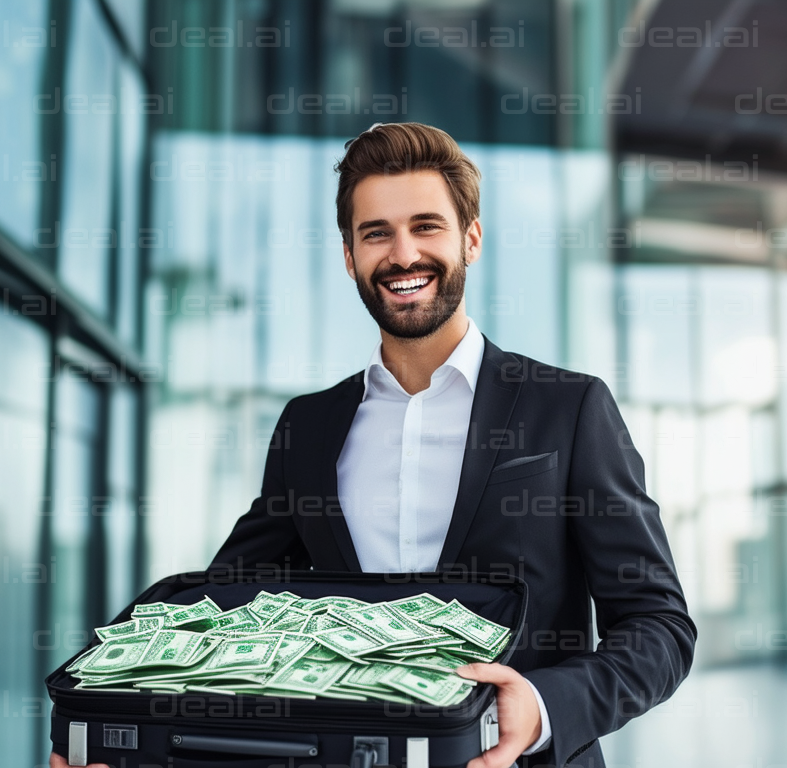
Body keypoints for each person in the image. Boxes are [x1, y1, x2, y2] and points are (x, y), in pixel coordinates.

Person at [51, 122, 694, 768]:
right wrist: (112, 732)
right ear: (350, 255)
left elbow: (659, 627)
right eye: (376, 233)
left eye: (426, 226)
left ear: (471, 238)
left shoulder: (569, 410)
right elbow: (223, 612)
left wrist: (546, 703)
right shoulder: (308, 428)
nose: (402, 254)